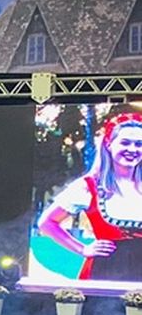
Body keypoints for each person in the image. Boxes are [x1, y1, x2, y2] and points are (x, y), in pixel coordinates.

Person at [38, 112, 142, 281]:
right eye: (125, 143)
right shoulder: (88, 186)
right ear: (109, 144)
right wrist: (82, 249)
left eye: (139, 144)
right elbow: (47, 223)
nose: (132, 149)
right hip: (105, 274)